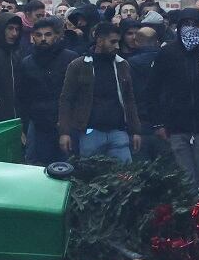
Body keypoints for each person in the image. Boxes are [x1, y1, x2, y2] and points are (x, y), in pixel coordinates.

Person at [151, 10, 199, 191]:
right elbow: (153, 90)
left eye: (195, 25)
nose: (190, 29)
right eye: (186, 24)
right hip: (176, 128)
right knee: (185, 182)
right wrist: (158, 123)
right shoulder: (167, 53)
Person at [58, 21, 144, 162]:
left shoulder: (122, 65)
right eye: (113, 42)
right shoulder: (79, 65)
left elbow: (129, 100)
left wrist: (135, 130)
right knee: (90, 177)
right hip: (89, 131)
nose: (117, 46)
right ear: (99, 40)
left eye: (118, 42)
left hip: (118, 130)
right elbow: (66, 100)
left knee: (125, 177)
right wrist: (64, 132)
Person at [14, 17, 72, 164]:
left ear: (56, 36)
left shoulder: (70, 59)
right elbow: (22, 96)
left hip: (65, 121)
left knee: (67, 165)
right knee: (37, 166)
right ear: (33, 37)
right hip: (38, 122)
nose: (43, 39)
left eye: (48, 34)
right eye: (39, 35)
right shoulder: (27, 63)